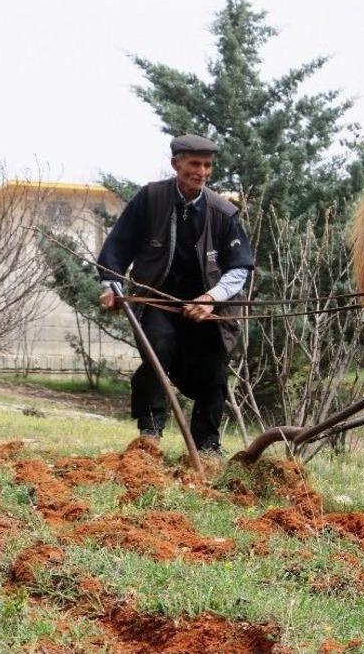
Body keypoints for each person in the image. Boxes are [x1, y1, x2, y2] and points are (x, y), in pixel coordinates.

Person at [97, 134, 254, 455]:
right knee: (159, 351)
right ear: (176, 164)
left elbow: (239, 268)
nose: (202, 171)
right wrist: (111, 288)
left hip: (207, 307)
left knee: (214, 369)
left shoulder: (223, 213)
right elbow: (116, 249)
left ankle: (207, 446)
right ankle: (149, 436)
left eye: (208, 165)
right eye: (194, 163)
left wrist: (211, 298)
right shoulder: (150, 199)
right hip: (158, 301)